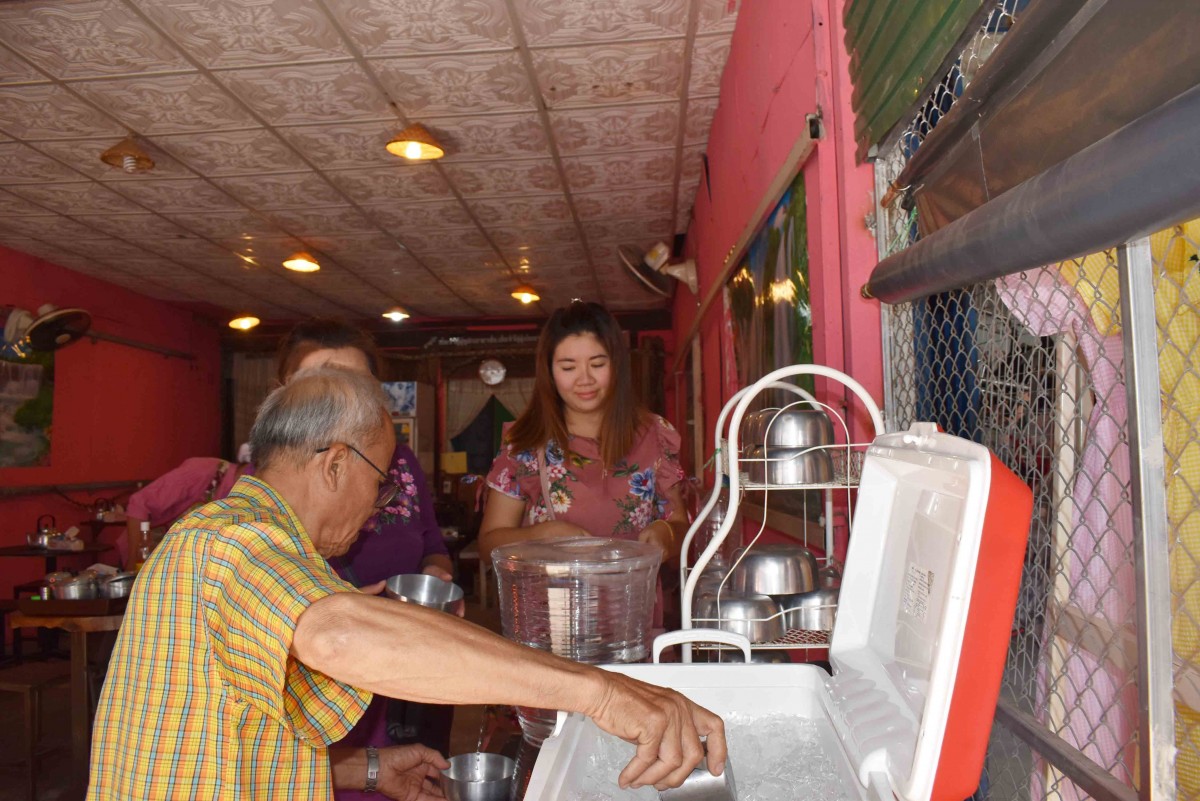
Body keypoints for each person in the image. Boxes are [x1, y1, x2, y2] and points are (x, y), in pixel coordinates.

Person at [88, 366, 725, 800]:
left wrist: (363, 768)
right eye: (381, 481)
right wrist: (603, 693)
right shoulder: (230, 540)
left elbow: (225, 735)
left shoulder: (254, 541)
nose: (382, 503)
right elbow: (341, 636)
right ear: (335, 465)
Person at [275, 319, 454, 791]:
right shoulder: (259, 518)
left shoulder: (398, 461)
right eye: (321, 385)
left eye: (355, 386)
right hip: (329, 692)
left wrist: (434, 580)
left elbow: (432, 541)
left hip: (404, 674)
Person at [479, 301, 689, 568]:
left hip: (632, 603)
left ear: (616, 365)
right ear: (550, 373)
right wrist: (539, 536)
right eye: (568, 368)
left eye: (598, 364)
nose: (585, 379)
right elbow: (488, 545)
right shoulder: (525, 443)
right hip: (550, 607)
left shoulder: (655, 434)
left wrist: (666, 534)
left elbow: (680, 524)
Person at [121, 456, 253, 568]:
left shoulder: (247, 501)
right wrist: (133, 567)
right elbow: (139, 504)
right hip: (143, 557)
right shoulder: (205, 470)